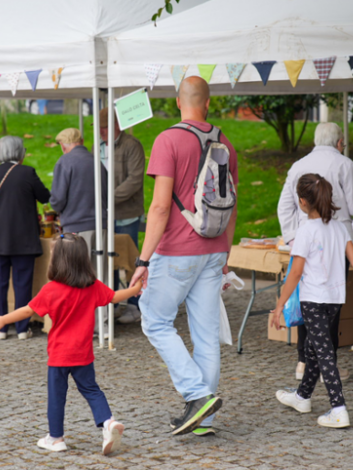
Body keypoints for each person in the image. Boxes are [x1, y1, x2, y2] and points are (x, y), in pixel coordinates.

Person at [129, 76, 238, 437]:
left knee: (154, 320)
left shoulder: (168, 140)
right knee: (205, 335)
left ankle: (196, 396)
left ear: (178, 102)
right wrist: (226, 250)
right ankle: (202, 420)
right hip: (214, 249)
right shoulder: (226, 143)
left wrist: (142, 261)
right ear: (208, 103)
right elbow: (233, 206)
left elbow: (160, 207)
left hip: (176, 250)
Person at [0, 233, 141, 455]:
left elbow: (28, 310)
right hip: (83, 353)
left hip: (59, 355)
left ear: (58, 261)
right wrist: (135, 290)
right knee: (91, 389)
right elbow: (115, 297)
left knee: (57, 397)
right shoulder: (93, 286)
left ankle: (56, 438)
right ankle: (107, 422)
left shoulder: (51, 290)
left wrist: (2, 319)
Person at [271, 173, 353, 428]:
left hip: (313, 300)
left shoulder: (305, 231)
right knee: (317, 348)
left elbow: (295, 273)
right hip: (335, 300)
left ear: (302, 202)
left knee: (324, 352)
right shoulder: (340, 227)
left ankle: (338, 408)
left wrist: (280, 304)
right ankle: (302, 396)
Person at [277, 122, 353, 382]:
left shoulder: (297, 166)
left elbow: (284, 207)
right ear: (339, 142)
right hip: (337, 241)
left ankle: (303, 362)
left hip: (305, 241)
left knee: (309, 302)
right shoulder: (345, 165)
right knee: (331, 304)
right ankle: (330, 366)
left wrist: (294, 239)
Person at [0, 136, 50, 340]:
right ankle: (21, 328)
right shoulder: (27, 172)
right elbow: (45, 196)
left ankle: (0, 328)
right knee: (22, 284)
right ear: (20, 153)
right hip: (23, 239)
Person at [49, 128, 108, 333]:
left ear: (64, 145)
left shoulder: (64, 162)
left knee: (75, 276)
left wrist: (55, 207)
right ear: (81, 141)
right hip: (100, 226)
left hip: (75, 228)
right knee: (99, 275)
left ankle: (81, 324)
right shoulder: (98, 163)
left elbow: (57, 200)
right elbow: (107, 194)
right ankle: (103, 324)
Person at [97, 107, 146, 324]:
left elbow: (135, 180)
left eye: (105, 127)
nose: (101, 131)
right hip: (104, 215)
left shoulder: (132, 145)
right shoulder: (96, 146)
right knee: (109, 262)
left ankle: (135, 305)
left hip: (126, 214)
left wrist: (107, 198)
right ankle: (113, 303)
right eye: (98, 127)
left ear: (117, 126)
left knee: (130, 262)